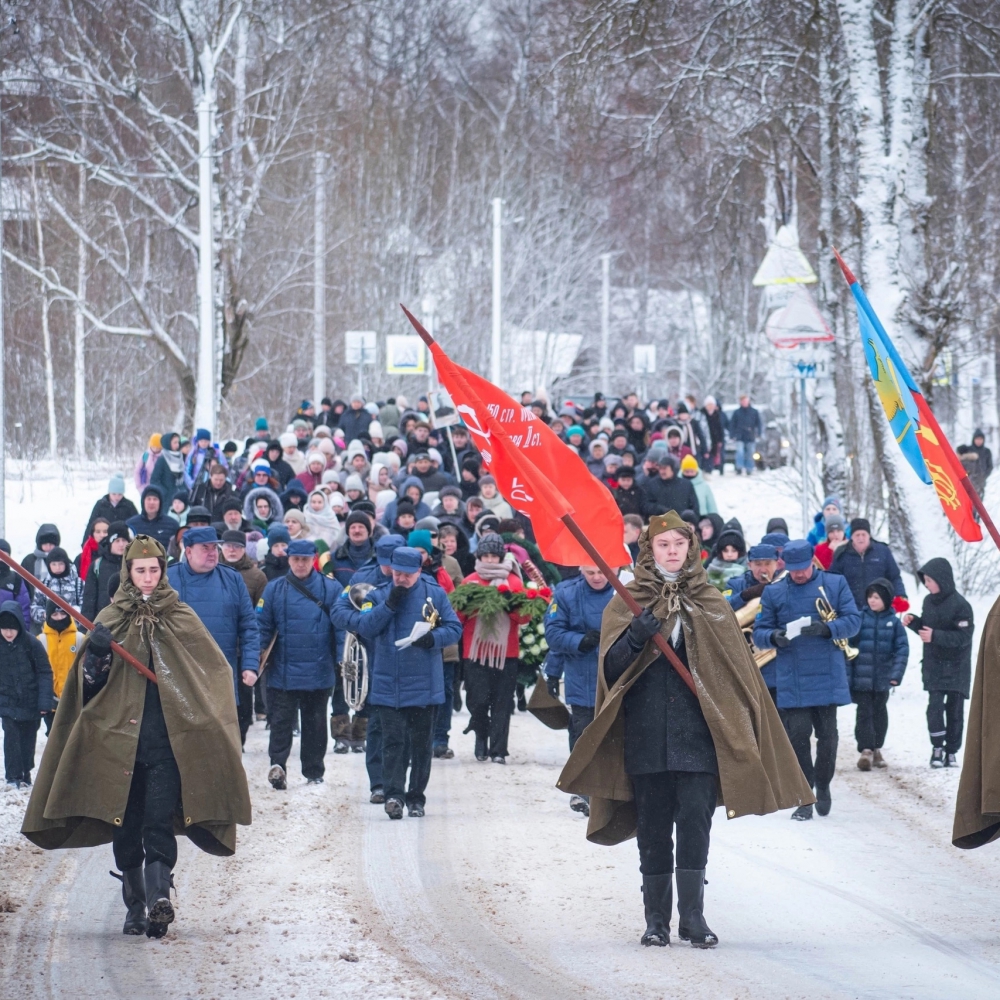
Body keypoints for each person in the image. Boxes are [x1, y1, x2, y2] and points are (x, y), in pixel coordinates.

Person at [558, 513, 811, 949]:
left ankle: (693, 919)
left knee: (695, 825)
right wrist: (636, 637)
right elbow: (611, 670)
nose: (671, 551)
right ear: (649, 550)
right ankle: (655, 921)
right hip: (646, 734)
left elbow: (735, 673)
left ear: (691, 549)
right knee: (654, 829)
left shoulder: (710, 601)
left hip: (698, 736)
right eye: (662, 544)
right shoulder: (627, 601)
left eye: (679, 544)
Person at [22, 535, 251, 939]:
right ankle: (136, 907)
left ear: (164, 572)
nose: (147, 577)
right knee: (125, 827)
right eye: (139, 570)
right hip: (117, 746)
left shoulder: (180, 616)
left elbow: (211, 673)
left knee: (157, 820)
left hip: (164, 743)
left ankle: (160, 896)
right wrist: (95, 654)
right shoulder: (110, 618)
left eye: (154, 570)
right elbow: (88, 690)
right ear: (128, 572)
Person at [754, 539, 860, 821]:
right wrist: (773, 637)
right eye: (794, 569)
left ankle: (823, 784)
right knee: (798, 737)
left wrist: (827, 629)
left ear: (813, 561)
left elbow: (854, 620)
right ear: (784, 566)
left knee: (828, 738)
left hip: (827, 672)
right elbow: (759, 631)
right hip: (793, 675)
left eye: (803, 568)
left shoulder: (835, 585)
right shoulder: (775, 592)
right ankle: (805, 795)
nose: (799, 574)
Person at [352, 547, 462, 818]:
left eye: (407, 575)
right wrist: (390, 604)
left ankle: (416, 798)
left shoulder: (434, 594)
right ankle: (394, 795)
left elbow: (454, 627)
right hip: (388, 684)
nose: (401, 579)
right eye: (397, 573)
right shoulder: (377, 594)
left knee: (421, 746)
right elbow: (365, 628)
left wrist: (433, 639)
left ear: (419, 572)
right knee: (392, 744)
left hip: (425, 684)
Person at [256, 538, 342, 788]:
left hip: (319, 668)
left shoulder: (331, 588)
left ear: (313, 559)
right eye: (295, 559)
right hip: (283, 668)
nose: (300, 564)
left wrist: (340, 659)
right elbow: (262, 626)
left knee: (315, 722)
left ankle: (314, 770)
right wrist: (257, 657)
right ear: (289, 560)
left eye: (305, 559)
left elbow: (340, 627)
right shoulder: (274, 589)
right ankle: (278, 765)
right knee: (281, 721)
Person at [167, 527, 260, 745]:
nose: (213, 553)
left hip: (221, 671)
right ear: (188, 551)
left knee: (221, 740)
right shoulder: (168, 578)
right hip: (180, 670)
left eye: (215, 548)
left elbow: (248, 625)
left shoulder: (232, 579)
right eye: (205, 548)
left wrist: (250, 665)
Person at [545, 565, 614, 815]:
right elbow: (553, 634)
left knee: (612, 737)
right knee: (582, 735)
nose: (596, 577)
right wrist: (580, 641)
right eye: (590, 572)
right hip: (581, 679)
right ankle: (583, 790)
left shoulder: (625, 594)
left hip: (616, 679)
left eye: (601, 572)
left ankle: (609, 789)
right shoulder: (566, 594)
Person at [455, 534, 530, 763]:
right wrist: (465, 607)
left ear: (500, 557)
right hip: (475, 652)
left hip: (506, 653)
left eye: (493, 556)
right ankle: (481, 732)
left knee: (502, 702)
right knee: (477, 700)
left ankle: (498, 750)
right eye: (485, 555)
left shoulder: (514, 582)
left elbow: (525, 617)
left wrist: (509, 603)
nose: (489, 560)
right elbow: (457, 618)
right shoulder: (469, 582)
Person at [902, 557, 974, 768]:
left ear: (942, 580)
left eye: (930, 580)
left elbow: (964, 637)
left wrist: (936, 636)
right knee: (934, 708)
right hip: (934, 665)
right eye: (925, 581)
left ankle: (951, 751)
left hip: (957, 667)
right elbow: (928, 630)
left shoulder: (961, 605)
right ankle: (937, 747)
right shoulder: (928, 602)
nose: (927, 585)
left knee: (954, 710)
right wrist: (915, 623)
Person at [848, 579, 908, 770]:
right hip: (862, 678)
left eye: (876, 597)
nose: (872, 601)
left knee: (880, 713)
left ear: (886, 599)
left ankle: (877, 748)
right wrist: (850, 674)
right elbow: (848, 647)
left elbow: (902, 650)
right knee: (864, 712)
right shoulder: (860, 619)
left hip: (883, 679)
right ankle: (866, 749)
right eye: (870, 597)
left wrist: (896, 674)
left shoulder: (894, 622)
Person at [0, 600, 53, 787]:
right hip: (7, 702)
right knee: (11, 738)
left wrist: (45, 702)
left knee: (28, 740)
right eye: (4, 629)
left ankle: (25, 773)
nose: (8, 633)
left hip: (31, 702)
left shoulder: (32, 643)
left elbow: (44, 672)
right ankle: (12, 776)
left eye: (12, 629)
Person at [220, 529, 269, 728]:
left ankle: (240, 735)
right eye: (228, 545)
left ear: (244, 549)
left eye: (237, 546)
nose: (232, 550)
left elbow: (261, 614)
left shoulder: (257, 576)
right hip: (217, 644)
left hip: (242, 647)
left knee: (243, 697)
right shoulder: (212, 571)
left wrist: (256, 645)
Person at [828, 518, 906, 611]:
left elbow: (894, 576)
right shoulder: (842, 554)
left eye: (863, 534)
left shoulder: (883, 551)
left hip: (880, 610)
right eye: (857, 535)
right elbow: (832, 580)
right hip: (851, 610)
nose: (860, 538)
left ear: (869, 535)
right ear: (851, 536)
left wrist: (900, 595)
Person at [36, 601, 77, 733]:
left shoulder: (80, 639)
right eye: (55, 614)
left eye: (62, 613)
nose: (59, 618)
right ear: (48, 616)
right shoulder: (39, 640)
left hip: (73, 703)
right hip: (50, 703)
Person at [81, 522, 130, 623]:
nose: (121, 544)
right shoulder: (97, 565)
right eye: (117, 541)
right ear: (110, 542)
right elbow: (89, 599)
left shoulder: (135, 563)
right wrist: (86, 625)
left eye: (124, 540)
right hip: (104, 622)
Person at [30, 548, 84, 630]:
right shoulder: (43, 584)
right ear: (49, 565)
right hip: (49, 632)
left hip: (74, 631)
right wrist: (45, 614)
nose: (57, 567)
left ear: (66, 564)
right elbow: (34, 608)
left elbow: (86, 608)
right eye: (54, 564)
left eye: (61, 564)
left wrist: (75, 612)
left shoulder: (79, 583)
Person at [83, 475, 139, 545]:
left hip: (123, 541)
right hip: (103, 540)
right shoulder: (101, 505)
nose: (117, 497)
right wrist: (85, 543)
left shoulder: (128, 505)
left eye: (120, 494)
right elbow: (91, 523)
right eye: (114, 494)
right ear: (109, 492)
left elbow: (137, 523)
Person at [640, 454, 699, 520]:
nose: (662, 472)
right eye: (660, 469)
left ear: (672, 469)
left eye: (665, 468)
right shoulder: (652, 484)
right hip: (660, 524)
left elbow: (694, 508)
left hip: (681, 524)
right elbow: (645, 506)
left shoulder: (686, 485)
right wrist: (660, 509)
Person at [727, 394, 762, 476]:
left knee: (750, 453)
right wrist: (732, 435)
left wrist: (759, 433)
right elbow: (732, 424)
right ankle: (739, 467)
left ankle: (749, 468)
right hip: (740, 436)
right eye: (742, 401)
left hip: (750, 436)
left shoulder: (754, 412)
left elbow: (759, 424)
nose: (744, 402)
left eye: (745, 401)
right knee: (740, 452)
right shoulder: (737, 412)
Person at [0, 540, 32, 627]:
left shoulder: (16, 579)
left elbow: (24, 609)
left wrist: (24, 634)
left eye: (4, 556)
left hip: (9, 630)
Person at [149, 432, 186, 506]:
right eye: (174, 442)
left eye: (178, 442)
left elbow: (181, 477)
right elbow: (154, 480)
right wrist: (165, 492)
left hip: (180, 498)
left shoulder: (180, 457)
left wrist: (184, 490)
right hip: (167, 500)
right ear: (168, 444)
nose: (177, 445)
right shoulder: (162, 459)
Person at [957, 429, 993, 500]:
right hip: (968, 481)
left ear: (983, 440)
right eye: (977, 439)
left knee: (977, 505)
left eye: (980, 439)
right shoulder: (968, 449)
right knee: (966, 503)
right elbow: (960, 459)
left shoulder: (987, 451)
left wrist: (983, 476)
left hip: (980, 483)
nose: (979, 441)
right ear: (974, 439)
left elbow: (990, 466)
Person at [701, 396, 727, 474]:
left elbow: (720, 428)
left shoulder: (717, 414)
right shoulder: (702, 414)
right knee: (705, 454)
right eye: (709, 405)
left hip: (715, 439)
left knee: (713, 455)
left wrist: (720, 439)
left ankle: (710, 470)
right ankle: (704, 469)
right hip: (705, 438)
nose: (710, 407)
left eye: (712, 405)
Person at [78, 517, 110, 582]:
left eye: (105, 532)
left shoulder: (118, 554)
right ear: (93, 534)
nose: (102, 535)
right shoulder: (81, 558)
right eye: (98, 532)